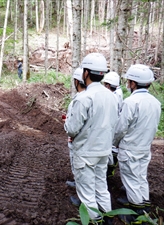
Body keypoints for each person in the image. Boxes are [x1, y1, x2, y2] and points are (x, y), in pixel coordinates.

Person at [64, 53, 118, 223]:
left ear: (85, 73)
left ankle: (95, 221)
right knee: (101, 188)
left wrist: (66, 124)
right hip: (103, 151)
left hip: (86, 152)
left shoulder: (84, 98)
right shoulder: (111, 96)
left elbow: (72, 129)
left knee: (87, 193)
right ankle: (107, 219)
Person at [113, 64, 161, 224]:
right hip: (144, 147)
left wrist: (114, 142)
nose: (127, 84)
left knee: (131, 180)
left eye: (129, 81)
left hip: (130, 147)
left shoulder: (131, 102)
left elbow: (121, 128)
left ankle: (135, 215)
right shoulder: (155, 102)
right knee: (141, 178)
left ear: (133, 83)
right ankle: (144, 206)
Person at [63, 67, 86, 194]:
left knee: (79, 165)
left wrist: (67, 124)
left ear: (76, 82)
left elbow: (72, 128)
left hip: (79, 140)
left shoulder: (79, 100)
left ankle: (81, 192)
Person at [102, 71, 123, 178]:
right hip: (114, 126)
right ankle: (109, 171)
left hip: (110, 127)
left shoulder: (111, 97)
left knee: (110, 149)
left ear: (108, 85)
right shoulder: (118, 93)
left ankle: (108, 172)